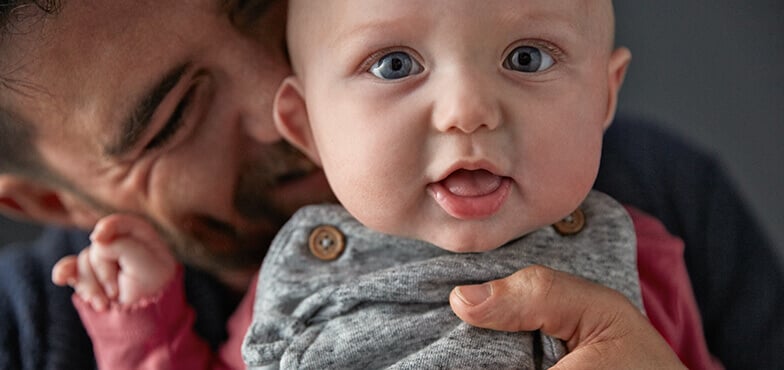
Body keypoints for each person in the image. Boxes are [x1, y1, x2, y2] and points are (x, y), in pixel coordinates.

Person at [0, 0, 781, 369]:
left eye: (266, 8)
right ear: (54, 205)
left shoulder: (655, 207)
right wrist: (143, 328)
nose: (278, 94)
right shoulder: (284, 293)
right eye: (173, 118)